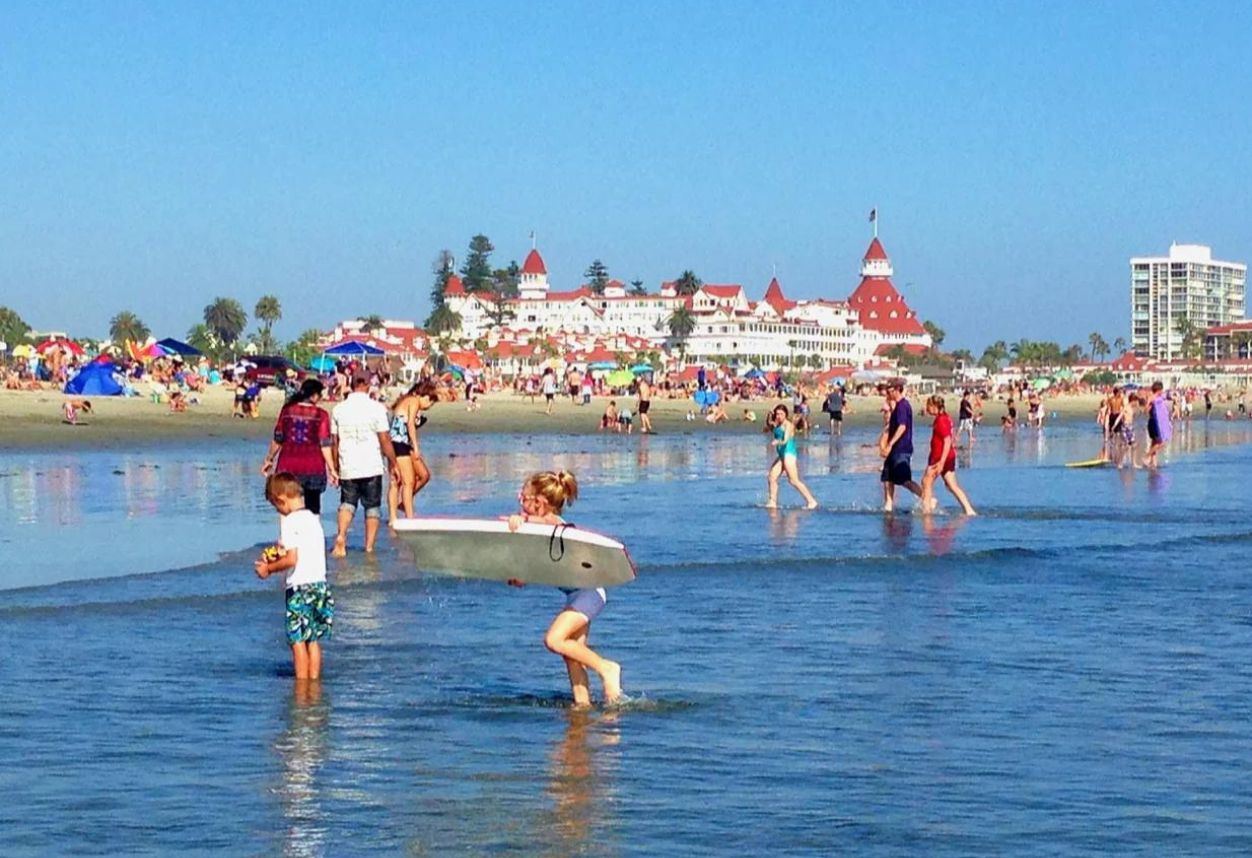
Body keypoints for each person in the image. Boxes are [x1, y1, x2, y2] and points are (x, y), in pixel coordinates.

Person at [506, 471, 622, 706]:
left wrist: (522, 520)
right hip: (579, 593)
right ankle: (583, 706)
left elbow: (549, 523)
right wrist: (522, 577)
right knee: (572, 655)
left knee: (554, 640)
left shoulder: (553, 524)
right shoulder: (542, 532)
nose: (520, 501)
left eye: (523, 497)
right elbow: (544, 563)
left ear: (539, 502)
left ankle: (606, 668)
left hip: (589, 593)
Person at [255, 473, 334, 681]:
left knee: (297, 641)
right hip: (319, 585)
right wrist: (275, 553)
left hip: (299, 587)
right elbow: (302, 550)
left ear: (281, 499)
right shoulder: (313, 519)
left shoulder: (290, 522)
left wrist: (268, 569)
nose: (278, 511)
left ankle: (301, 687)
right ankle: (314, 684)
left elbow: (292, 559)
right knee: (313, 640)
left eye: (276, 507)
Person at [330, 376, 400, 556]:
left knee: (347, 503)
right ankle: (369, 547)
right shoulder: (377, 408)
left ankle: (341, 536)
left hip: (348, 463)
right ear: (367, 386)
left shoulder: (339, 409)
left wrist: (335, 466)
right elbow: (384, 439)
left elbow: (334, 442)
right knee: (372, 507)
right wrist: (393, 463)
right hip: (371, 464)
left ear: (351, 386)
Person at [262, 379, 338, 515]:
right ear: (314, 395)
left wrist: (269, 459)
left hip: (288, 465)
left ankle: (287, 535)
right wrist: (332, 469)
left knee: (287, 506)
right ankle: (313, 535)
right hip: (313, 466)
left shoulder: (287, 411)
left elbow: (278, 438)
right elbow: (325, 444)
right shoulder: (321, 415)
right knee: (313, 506)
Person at [387, 379, 439, 522]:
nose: (429, 406)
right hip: (398, 443)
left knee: (424, 475)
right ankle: (407, 518)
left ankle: (403, 504)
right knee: (405, 482)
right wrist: (416, 446)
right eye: (430, 402)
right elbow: (409, 425)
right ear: (424, 396)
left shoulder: (408, 401)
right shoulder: (414, 401)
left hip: (402, 443)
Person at [920, 395, 976, 515]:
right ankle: (969, 510)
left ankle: (927, 510)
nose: (927, 409)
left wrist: (941, 462)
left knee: (926, 481)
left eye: (929, 406)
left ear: (935, 406)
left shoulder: (942, 421)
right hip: (946, 456)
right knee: (951, 485)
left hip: (941, 457)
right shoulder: (944, 418)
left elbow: (947, 441)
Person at [878, 379, 924, 512]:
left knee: (904, 480)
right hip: (894, 450)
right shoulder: (897, 406)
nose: (888, 393)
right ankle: (888, 505)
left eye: (890, 390)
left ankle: (926, 497)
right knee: (888, 478)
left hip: (901, 448)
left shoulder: (903, 406)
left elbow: (902, 427)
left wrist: (890, 444)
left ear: (897, 389)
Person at [766, 404, 819, 509]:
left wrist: (777, 442)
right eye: (777, 414)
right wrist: (769, 415)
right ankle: (772, 502)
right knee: (771, 477)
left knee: (793, 480)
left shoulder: (788, 425)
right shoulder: (776, 425)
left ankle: (811, 501)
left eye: (781, 414)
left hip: (789, 454)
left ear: (785, 414)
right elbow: (769, 424)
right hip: (781, 455)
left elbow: (785, 440)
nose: (779, 416)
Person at [1145, 381, 1173, 469]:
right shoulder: (1152, 397)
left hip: (1159, 422)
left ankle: (1153, 463)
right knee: (1161, 442)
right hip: (1155, 422)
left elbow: (1168, 396)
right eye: (1162, 389)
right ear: (1159, 389)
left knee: (1154, 443)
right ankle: (1146, 456)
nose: (1162, 391)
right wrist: (1151, 409)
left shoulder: (1161, 396)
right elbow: (1146, 408)